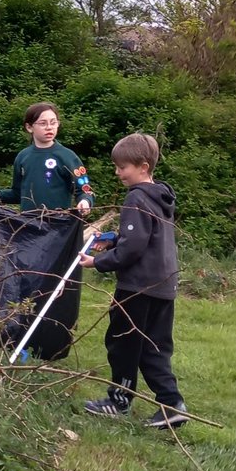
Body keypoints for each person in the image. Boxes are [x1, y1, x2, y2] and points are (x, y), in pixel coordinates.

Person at [79, 133, 186, 428]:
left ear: (142, 166)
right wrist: (114, 239)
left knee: (123, 343)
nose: (117, 172)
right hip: (163, 286)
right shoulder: (161, 196)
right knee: (155, 347)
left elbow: (133, 249)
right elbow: (143, 238)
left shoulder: (137, 197)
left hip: (137, 288)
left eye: (122, 167)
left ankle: (119, 400)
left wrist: (97, 261)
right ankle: (172, 403)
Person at [0, 102, 93, 213]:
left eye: (53, 122)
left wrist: (85, 201)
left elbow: (85, 190)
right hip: (29, 228)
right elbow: (17, 193)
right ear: (29, 127)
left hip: (60, 227)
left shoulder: (68, 156)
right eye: (43, 123)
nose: (49, 127)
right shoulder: (23, 157)